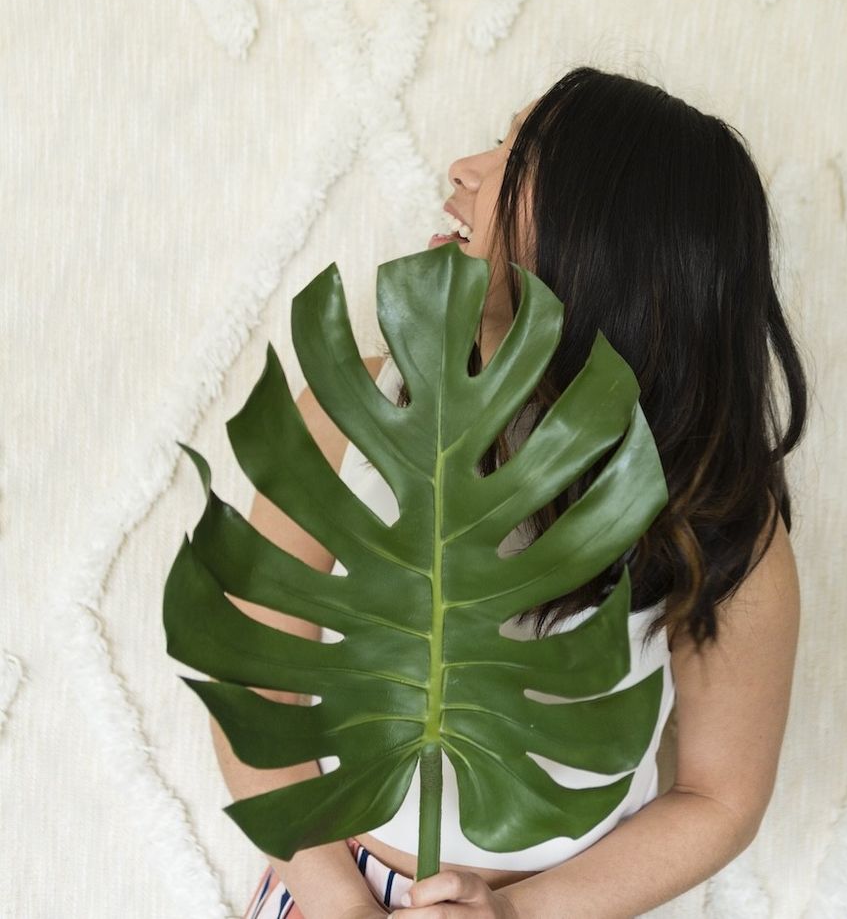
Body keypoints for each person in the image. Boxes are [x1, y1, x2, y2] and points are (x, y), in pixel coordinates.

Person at [221, 66, 806, 919]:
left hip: (564, 903)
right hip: (337, 880)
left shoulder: (710, 508)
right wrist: (341, 905)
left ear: (608, 239)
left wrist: (511, 914)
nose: (461, 167)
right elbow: (253, 685)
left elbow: (721, 796)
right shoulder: (356, 415)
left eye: (513, 158)